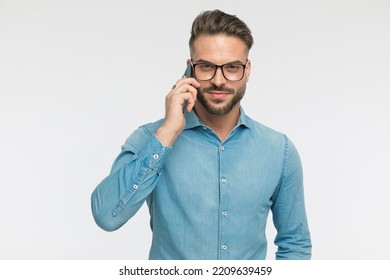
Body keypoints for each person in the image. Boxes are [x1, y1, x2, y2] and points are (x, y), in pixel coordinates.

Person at [91, 9, 312, 260]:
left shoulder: (279, 150)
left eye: (232, 67)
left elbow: (295, 243)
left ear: (247, 70)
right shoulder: (151, 138)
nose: (219, 80)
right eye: (206, 67)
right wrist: (167, 133)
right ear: (189, 69)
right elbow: (106, 216)